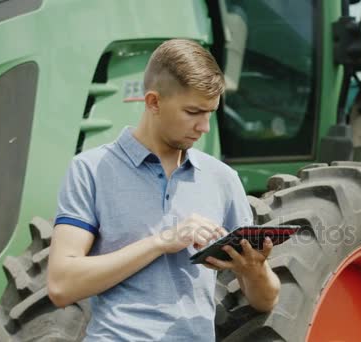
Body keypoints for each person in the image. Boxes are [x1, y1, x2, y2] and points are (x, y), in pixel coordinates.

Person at [47, 39, 280, 341]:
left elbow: (266, 300)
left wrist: (254, 270)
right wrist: (163, 241)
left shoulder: (222, 178)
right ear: (153, 102)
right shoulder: (89, 170)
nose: (204, 127)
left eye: (210, 112)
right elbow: (61, 286)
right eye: (193, 112)